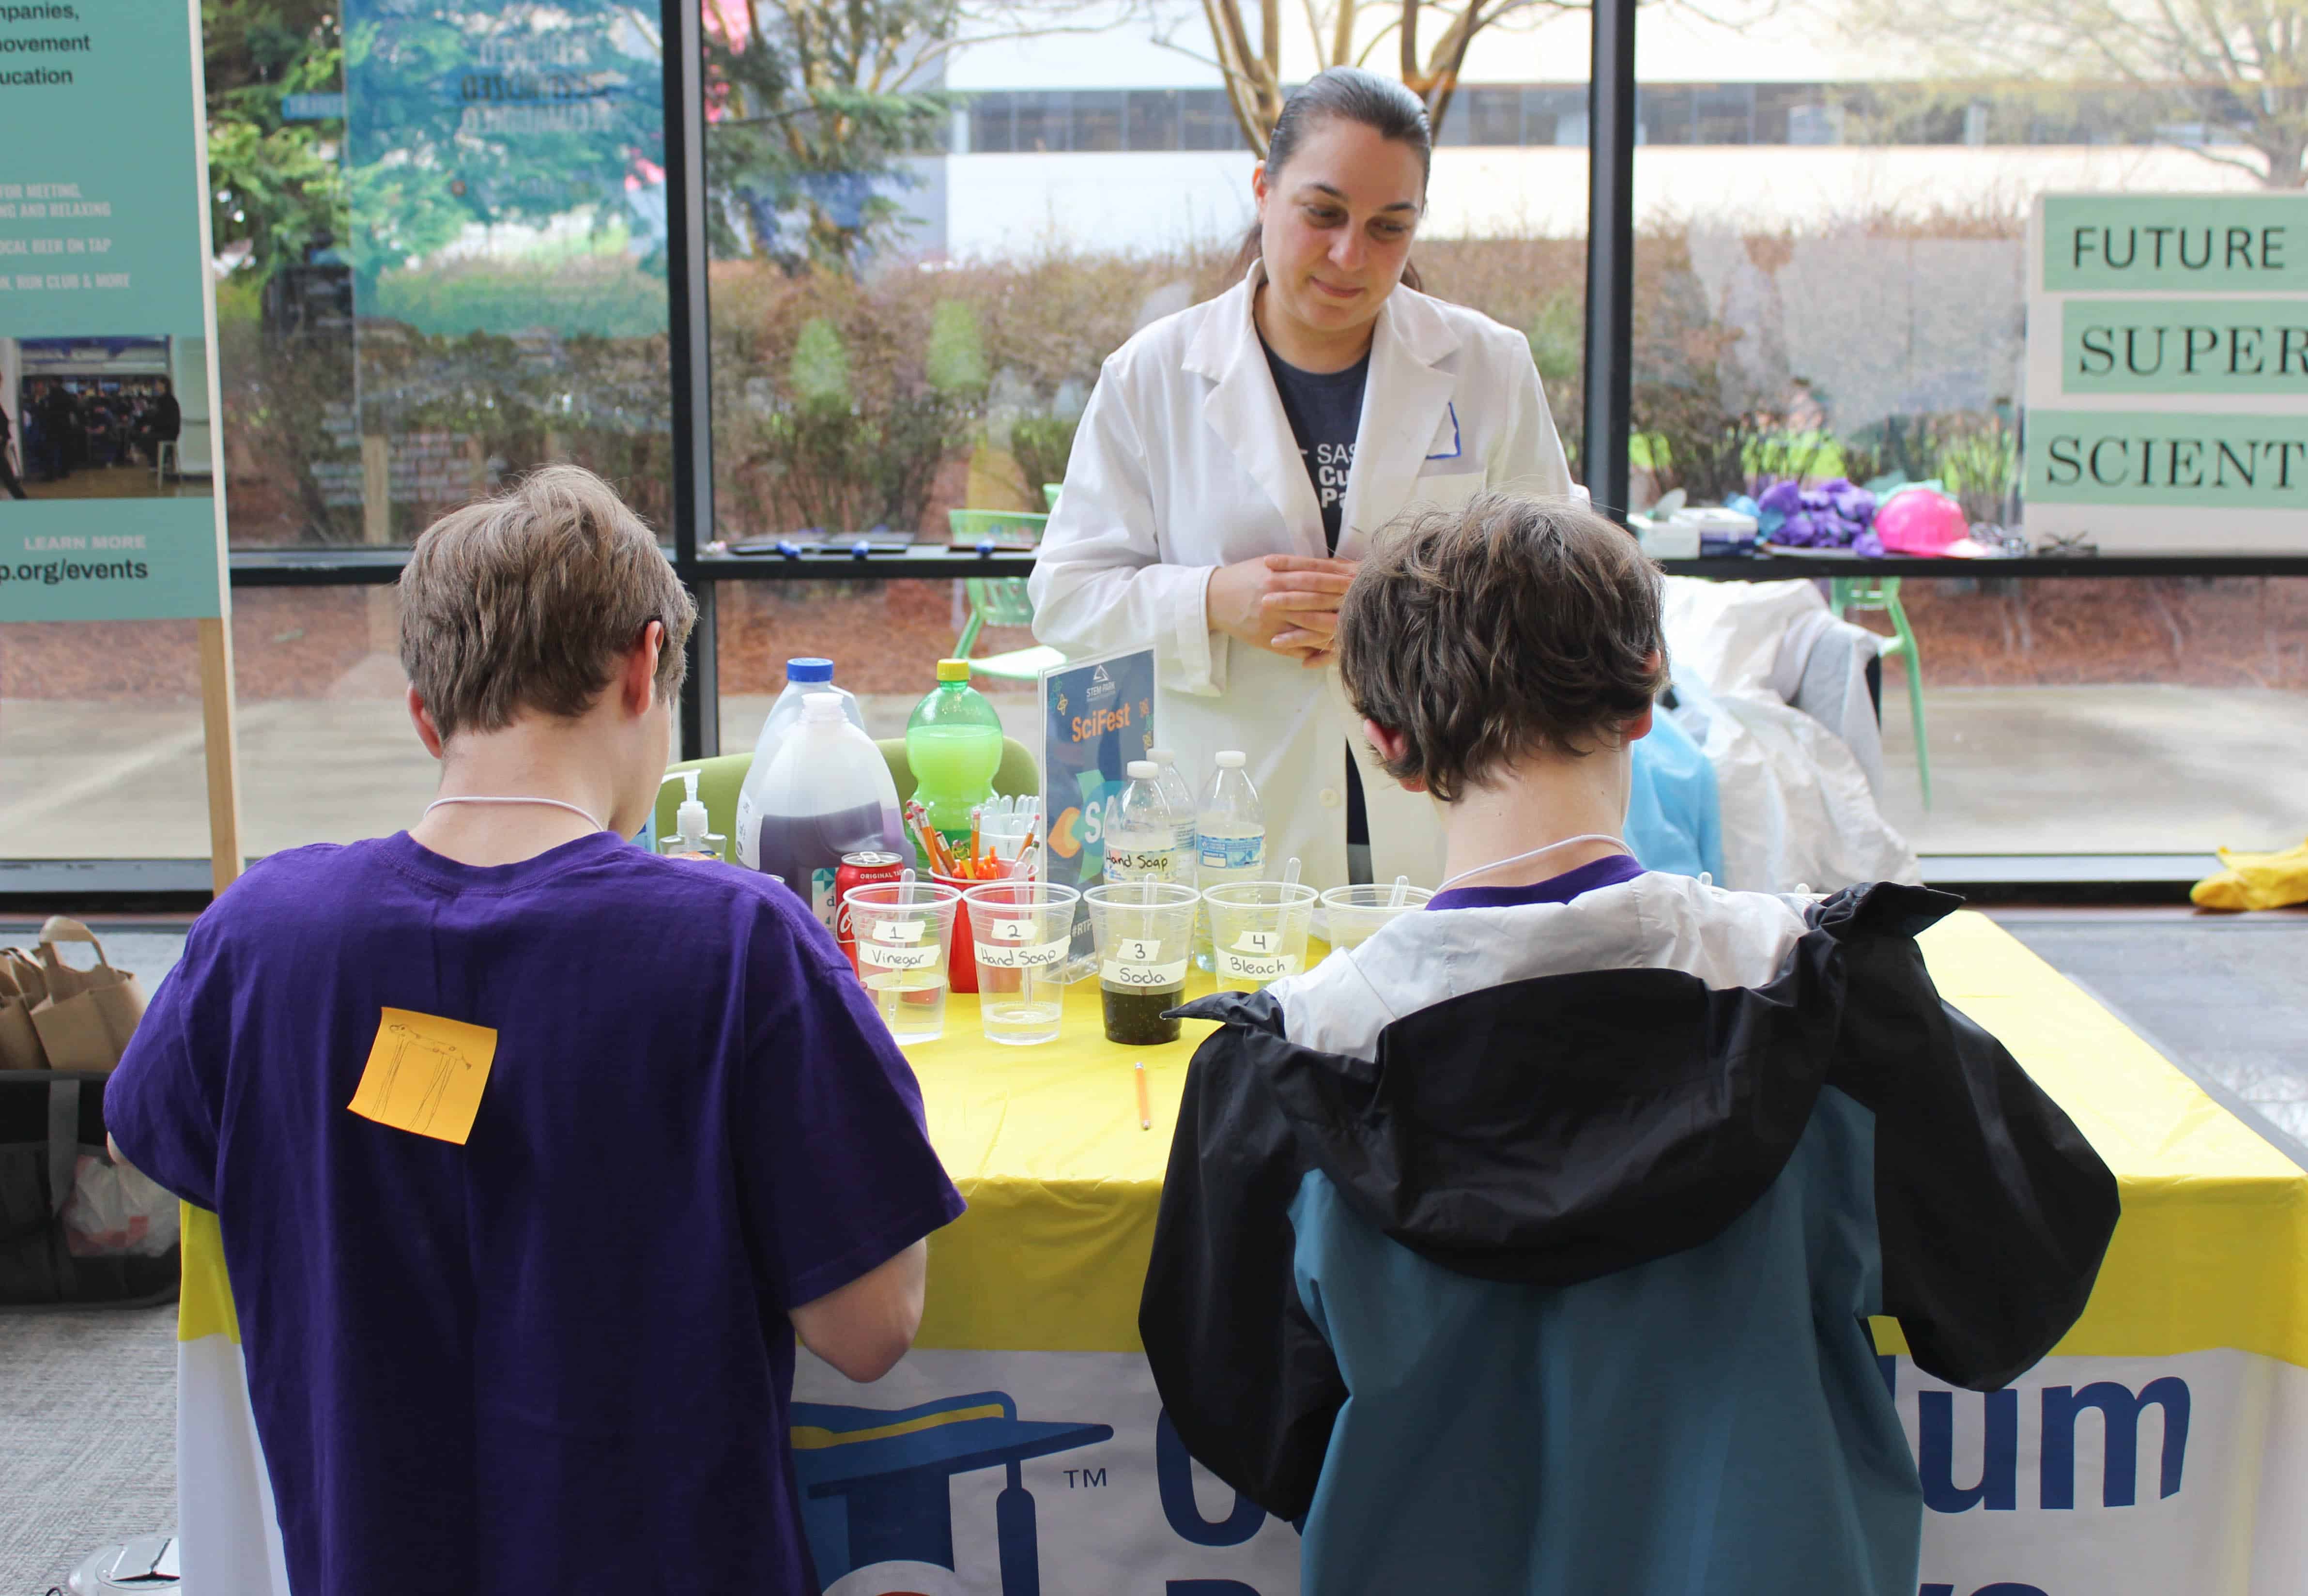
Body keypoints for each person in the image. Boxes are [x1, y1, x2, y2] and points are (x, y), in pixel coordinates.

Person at [1139, 493, 2120, 1596]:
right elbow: (2010, 1289)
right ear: (1647, 694)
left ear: (1386, 741)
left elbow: (1249, 1418)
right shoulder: (1826, 1001)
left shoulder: (1288, 1066)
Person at [106, 465, 966, 1596]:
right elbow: (870, 1328)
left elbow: (139, 1142)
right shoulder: (739, 948)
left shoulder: (261, 935)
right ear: (645, 665)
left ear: (425, 715)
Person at [1027, 67, 1572, 888]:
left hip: (1440, 802)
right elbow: (1066, 597)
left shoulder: (1488, 366)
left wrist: (1398, 610)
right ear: (1263, 190)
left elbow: (1557, 593)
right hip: (1231, 814)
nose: (1350, 255)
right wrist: (1213, 600)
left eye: (1389, 228)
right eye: (1322, 214)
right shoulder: (1152, 375)